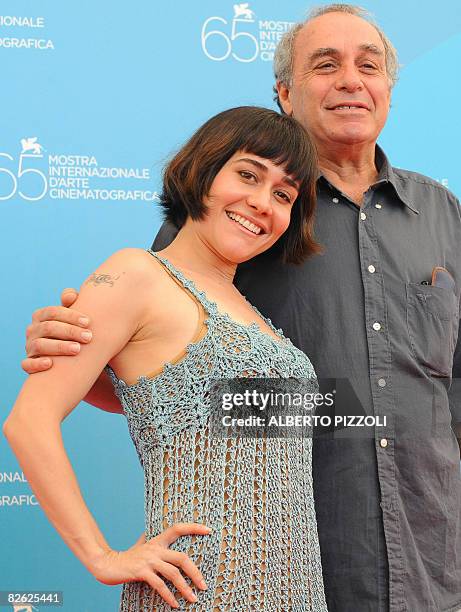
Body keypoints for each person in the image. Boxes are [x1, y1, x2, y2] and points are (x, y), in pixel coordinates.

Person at [18, 4, 461, 612]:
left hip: (424, 556)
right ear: (284, 92)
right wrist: (77, 347)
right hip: (287, 563)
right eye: (325, 65)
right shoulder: (199, 244)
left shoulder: (442, 213)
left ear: (388, 86)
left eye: (369, 65)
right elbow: (161, 381)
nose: (351, 80)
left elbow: (413, 391)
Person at [4, 106, 329, 611]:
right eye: (248, 174)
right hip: (199, 593)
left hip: (296, 593)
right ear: (202, 171)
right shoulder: (136, 273)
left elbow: (173, 405)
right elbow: (29, 421)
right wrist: (102, 556)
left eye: (284, 195)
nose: (262, 202)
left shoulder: (253, 313)